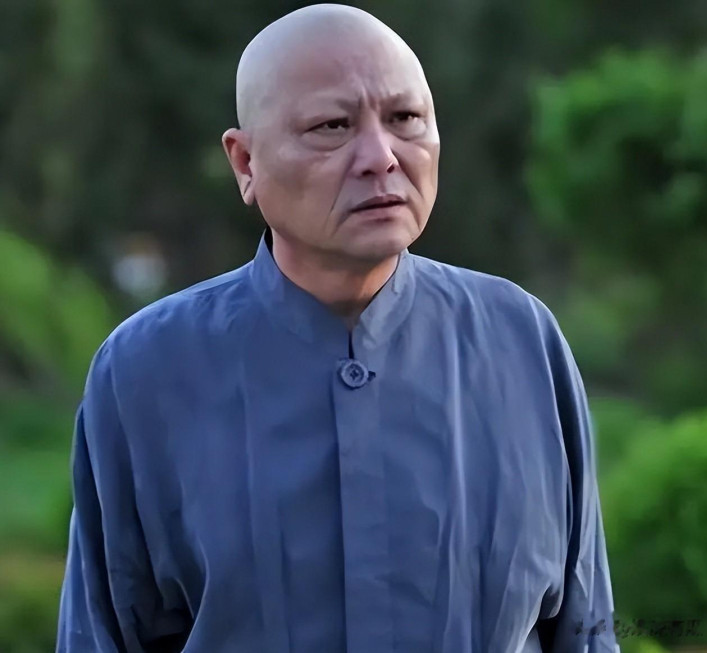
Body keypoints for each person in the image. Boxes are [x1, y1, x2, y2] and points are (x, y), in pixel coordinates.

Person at [56, 4, 618, 652]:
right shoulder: (146, 371)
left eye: (404, 119)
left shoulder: (521, 342)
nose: (380, 157)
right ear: (245, 163)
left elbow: (585, 630)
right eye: (332, 126)